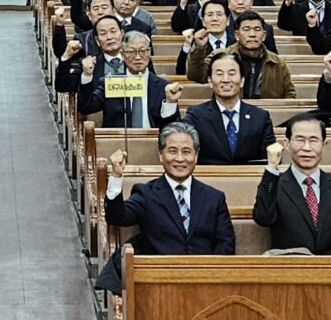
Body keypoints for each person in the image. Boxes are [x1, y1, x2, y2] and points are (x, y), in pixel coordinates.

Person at [95, 123, 235, 292]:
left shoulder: (214, 198)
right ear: (161, 155)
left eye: (186, 151)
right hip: (158, 286)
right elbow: (117, 217)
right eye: (172, 151)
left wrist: (210, 279)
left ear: (196, 156)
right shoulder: (146, 193)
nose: (180, 159)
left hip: (206, 285)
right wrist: (116, 176)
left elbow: (226, 246)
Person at [251, 113, 331, 255]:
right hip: (291, 266)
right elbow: (263, 218)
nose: (307, 148)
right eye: (300, 140)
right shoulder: (275, 185)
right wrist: (272, 168)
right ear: (286, 144)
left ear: (324, 145)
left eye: (314, 140)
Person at [72, 31, 177, 130]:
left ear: (149, 52)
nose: (137, 57)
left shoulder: (163, 86)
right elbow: (86, 107)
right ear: (122, 55)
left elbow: (174, 126)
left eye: (142, 51)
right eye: (131, 52)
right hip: (117, 140)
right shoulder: (112, 83)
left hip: (154, 141)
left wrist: (170, 103)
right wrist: (87, 75)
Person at [183, 54, 275, 166]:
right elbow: (176, 139)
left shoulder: (260, 117)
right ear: (210, 81)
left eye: (231, 74)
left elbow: (271, 157)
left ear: (242, 81)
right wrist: (171, 103)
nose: (226, 80)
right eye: (219, 74)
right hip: (208, 175)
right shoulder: (196, 116)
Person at [187, 12, 295, 100]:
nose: (252, 34)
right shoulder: (220, 56)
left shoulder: (278, 63)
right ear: (237, 35)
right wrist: (199, 48)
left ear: (264, 36)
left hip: (266, 114)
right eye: (246, 29)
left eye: (257, 29)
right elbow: (196, 75)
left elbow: (289, 94)